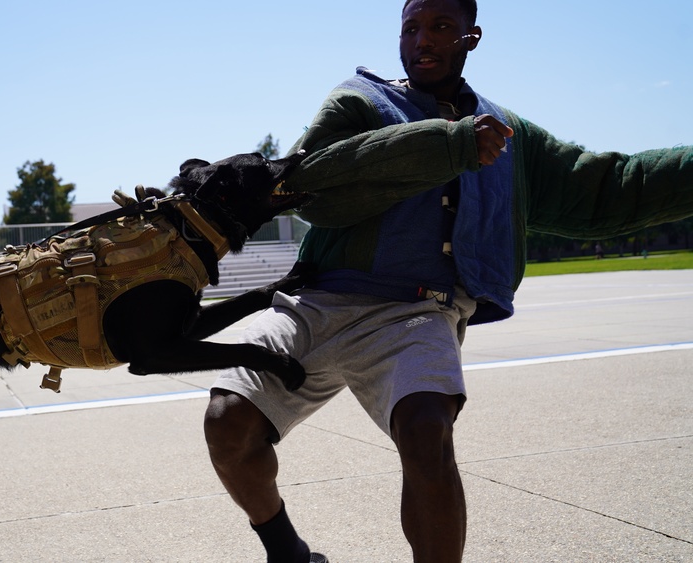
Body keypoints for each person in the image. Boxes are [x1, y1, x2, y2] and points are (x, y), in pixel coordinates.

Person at [202, 0, 693, 561]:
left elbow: (608, 188)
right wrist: (448, 145)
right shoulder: (360, 100)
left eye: (440, 26)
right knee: (228, 421)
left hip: (417, 312)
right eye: (410, 27)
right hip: (317, 300)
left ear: (471, 36)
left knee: (427, 432)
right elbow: (308, 185)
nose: (422, 40)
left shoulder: (507, 132)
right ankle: (287, 550)